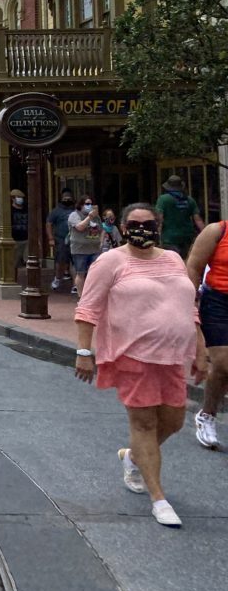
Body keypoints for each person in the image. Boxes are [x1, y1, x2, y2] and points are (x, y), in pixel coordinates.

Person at [74, 202, 207, 528]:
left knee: (174, 421)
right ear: (122, 226)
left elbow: (189, 307)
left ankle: (134, 456)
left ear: (158, 226)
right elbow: (87, 308)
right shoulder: (109, 262)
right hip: (133, 355)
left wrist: (200, 350)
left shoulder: (173, 259)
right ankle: (158, 498)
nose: (142, 229)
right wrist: (83, 352)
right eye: (135, 223)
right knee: (145, 424)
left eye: (148, 223)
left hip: (174, 356)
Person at [186, 217, 228, 449]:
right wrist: (190, 301)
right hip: (218, 302)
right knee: (222, 365)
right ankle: (207, 415)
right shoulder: (217, 231)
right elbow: (193, 265)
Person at [157, 175, 204, 258]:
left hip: (169, 238)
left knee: (172, 261)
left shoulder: (163, 199)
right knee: (185, 260)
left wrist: (157, 235)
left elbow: (159, 219)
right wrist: (205, 233)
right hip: (187, 236)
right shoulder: (190, 200)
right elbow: (198, 220)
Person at [68, 194, 103, 298]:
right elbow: (80, 227)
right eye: (87, 204)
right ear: (81, 205)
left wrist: (100, 242)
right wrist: (89, 217)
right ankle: (81, 296)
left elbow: (101, 229)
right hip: (80, 250)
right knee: (81, 273)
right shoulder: (74, 215)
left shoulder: (96, 217)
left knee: (96, 273)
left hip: (94, 249)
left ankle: (93, 295)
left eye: (91, 204)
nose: (90, 206)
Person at [48, 188, 75, 291]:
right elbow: (49, 224)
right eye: (65, 197)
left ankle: (75, 285)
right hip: (61, 240)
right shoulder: (56, 211)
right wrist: (51, 238)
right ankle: (58, 278)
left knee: (75, 263)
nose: (67, 199)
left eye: (69, 197)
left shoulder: (76, 210)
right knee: (61, 261)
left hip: (75, 240)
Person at [10, 189, 29, 273]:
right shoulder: (10, 210)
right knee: (14, 263)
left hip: (26, 238)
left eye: (21, 198)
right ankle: (14, 280)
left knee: (29, 261)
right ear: (13, 198)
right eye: (18, 197)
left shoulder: (26, 209)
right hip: (15, 239)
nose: (20, 199)